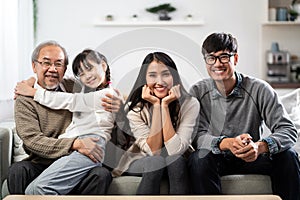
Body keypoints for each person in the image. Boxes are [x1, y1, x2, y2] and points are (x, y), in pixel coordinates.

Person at [188, 32, 300, 200]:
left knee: (289, 156)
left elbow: (288, 130)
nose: (217, 64)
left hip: (252, 157)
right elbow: (196, 136)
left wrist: (260, 146)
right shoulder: (197, 92)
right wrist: (227, 143)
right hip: (217, 158)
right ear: (206, 62)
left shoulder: (260, 89)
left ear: (236, 58)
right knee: (198, 159)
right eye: (211, 58)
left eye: (224, 57)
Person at [8, 41, 112, 195]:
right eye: (46, 63)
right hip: (44, 160)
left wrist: (119, 100)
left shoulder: (74, 87)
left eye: (59, 64)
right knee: (19, 170)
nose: (52, 69)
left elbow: (99, 87)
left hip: (79, 153)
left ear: (64, 69)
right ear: (34, 66)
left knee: (101, 174)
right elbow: (32, 140)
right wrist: (73, 144)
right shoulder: (25, 99)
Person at [112, 52, 200, 194]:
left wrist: (164, 106)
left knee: (175, 160)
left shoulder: (189, 104)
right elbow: (154, 151)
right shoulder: (134, 109)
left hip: (178, 162)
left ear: (174, 76)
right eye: (152, 75)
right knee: (156, 162)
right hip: (142, 160)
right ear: (144, 79)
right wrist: (157, 106)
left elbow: (175, 150)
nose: (160, 81)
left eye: (166, 74)